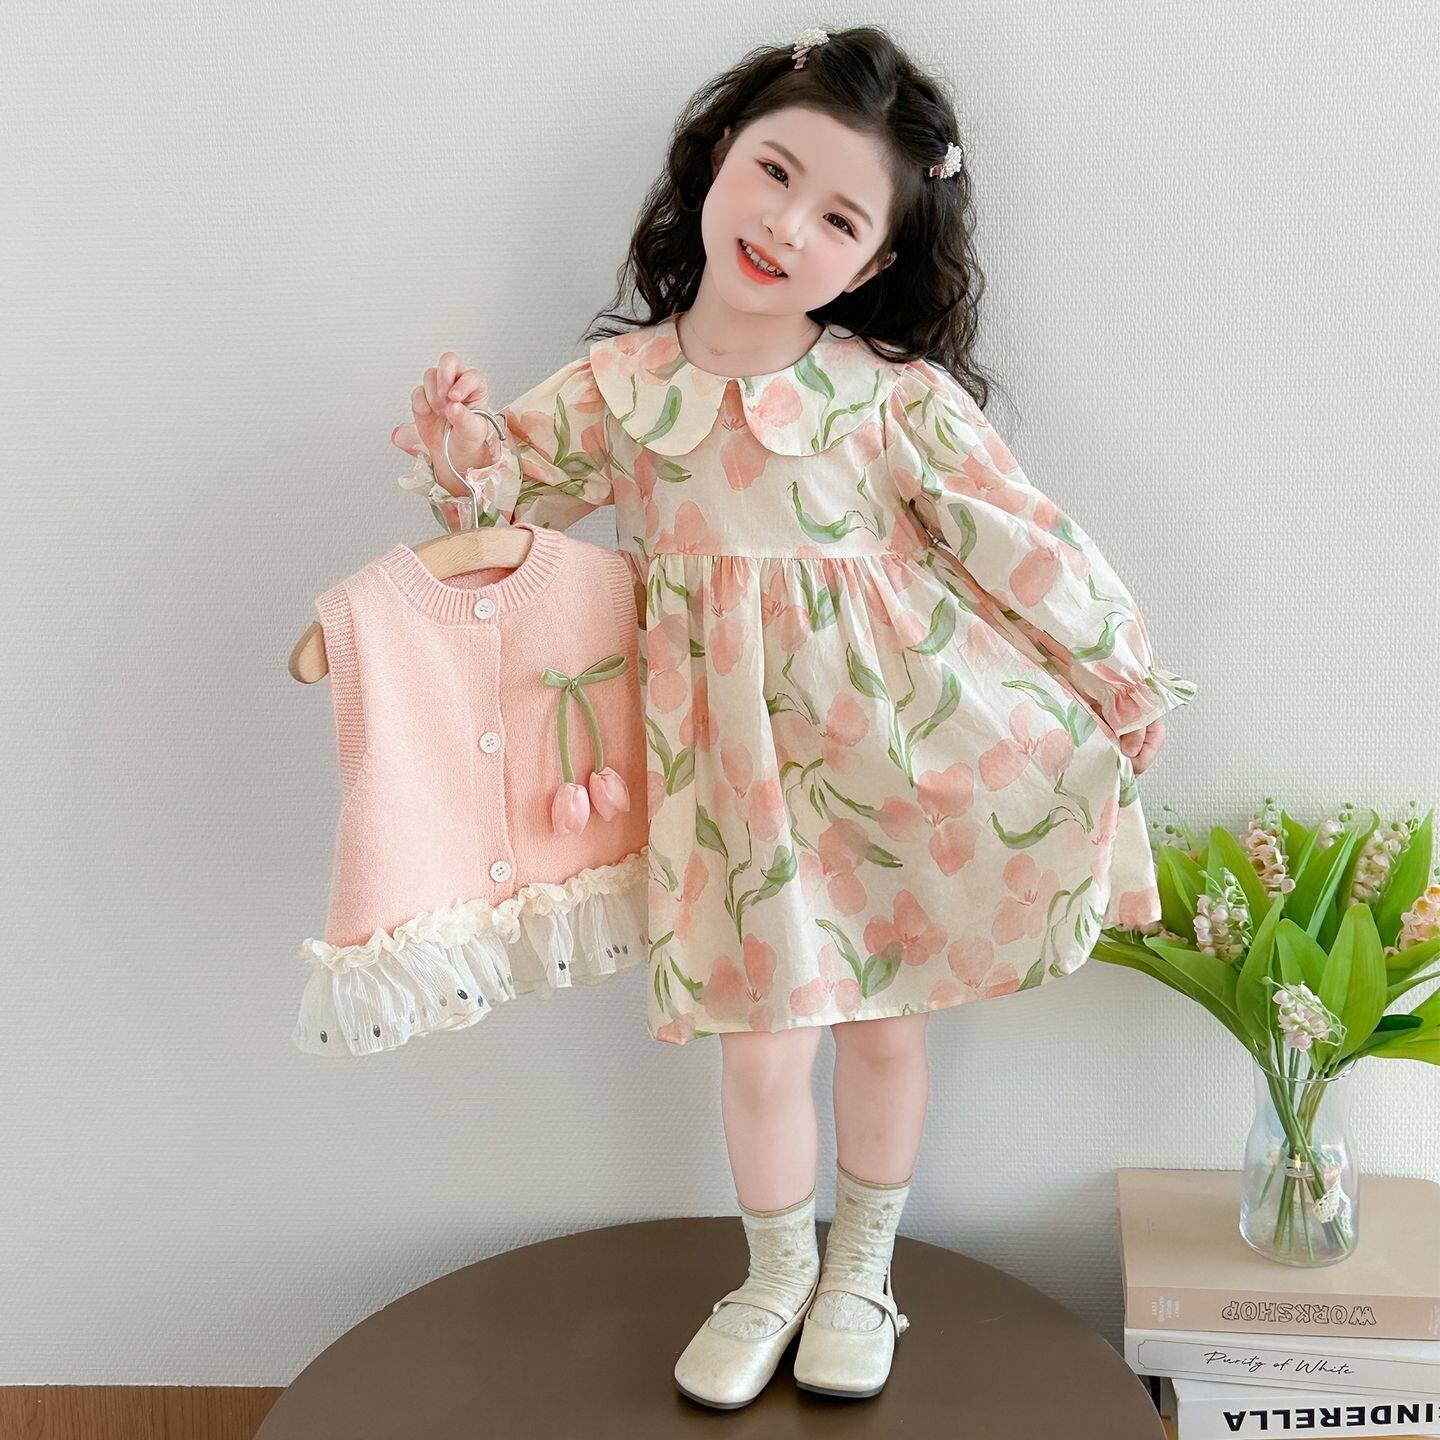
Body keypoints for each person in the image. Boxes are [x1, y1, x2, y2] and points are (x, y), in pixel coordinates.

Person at [390, 24, 1196, 1408]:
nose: (785, 225)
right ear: (717, 157)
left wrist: (1115, 673)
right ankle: (773, 1274)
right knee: (760, 1043)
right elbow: (508, 509)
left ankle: (862, 1271)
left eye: (838, 217)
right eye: (775, 172)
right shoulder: (622, 391)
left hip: (894, 750)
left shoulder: (888, 399)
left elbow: (1020, 539)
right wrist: (466, 452)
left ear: (872, 264)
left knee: (883, 1022)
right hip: (725, 777)